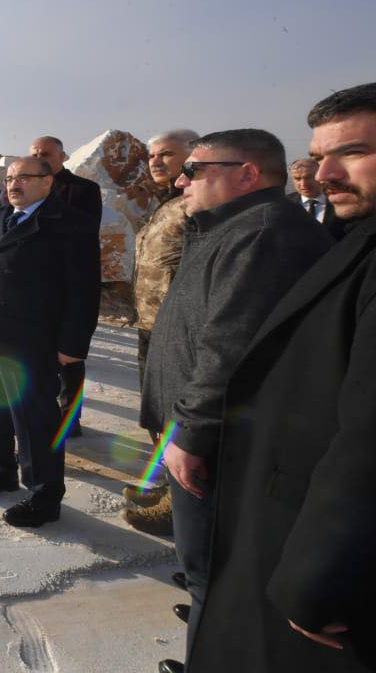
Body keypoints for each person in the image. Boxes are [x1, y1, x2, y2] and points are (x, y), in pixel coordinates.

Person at [189, 84, 376, 673]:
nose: (324, 174)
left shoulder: (270, 233)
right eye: (318, 156)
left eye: (352, 152)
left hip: (318, 559)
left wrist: (318, 573)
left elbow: (368, 434)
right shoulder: (355, 239)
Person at [140, 129, 331, 671]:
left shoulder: (263, 235)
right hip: (203, 433)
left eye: (195, 169)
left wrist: (191, 432)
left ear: (247, 174)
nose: (180, 178)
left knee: (213, 569)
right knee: (206, 571)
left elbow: (229, 346)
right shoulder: (233, 228)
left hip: (219, 442)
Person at [0, 157, 99, 527]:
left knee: (35, 421)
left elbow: (84, 291)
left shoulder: (69, 224)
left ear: (48, 182)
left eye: (24, 178)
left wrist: (73, 344)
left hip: (32, 338)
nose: (13, 184)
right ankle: (1, 469)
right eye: (9, 178)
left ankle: (44, 494)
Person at [122, 128, 198, 538]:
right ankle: (168, 489)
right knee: (156, 414)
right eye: (152, 155)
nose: (155, 161)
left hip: (178, 331)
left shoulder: (197, 203)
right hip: (150, 324)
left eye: (166, 154)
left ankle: (179, 506)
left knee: (177, 420)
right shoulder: (165, 201)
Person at [30, 135, 103, 439]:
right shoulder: (26, 187)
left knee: (69, 358)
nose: (40, 156)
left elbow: (84, 232)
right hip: (33, 286)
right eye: (34, 152)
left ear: (63, 156)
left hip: (68, 284)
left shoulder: (83, 190)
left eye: (46, 152)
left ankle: (70, 417)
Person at [287, 156, 346, 239]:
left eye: (309, 177)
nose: (303, 184)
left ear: (321, 176)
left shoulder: (341, 201)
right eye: (297, 179)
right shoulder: (284, 204)